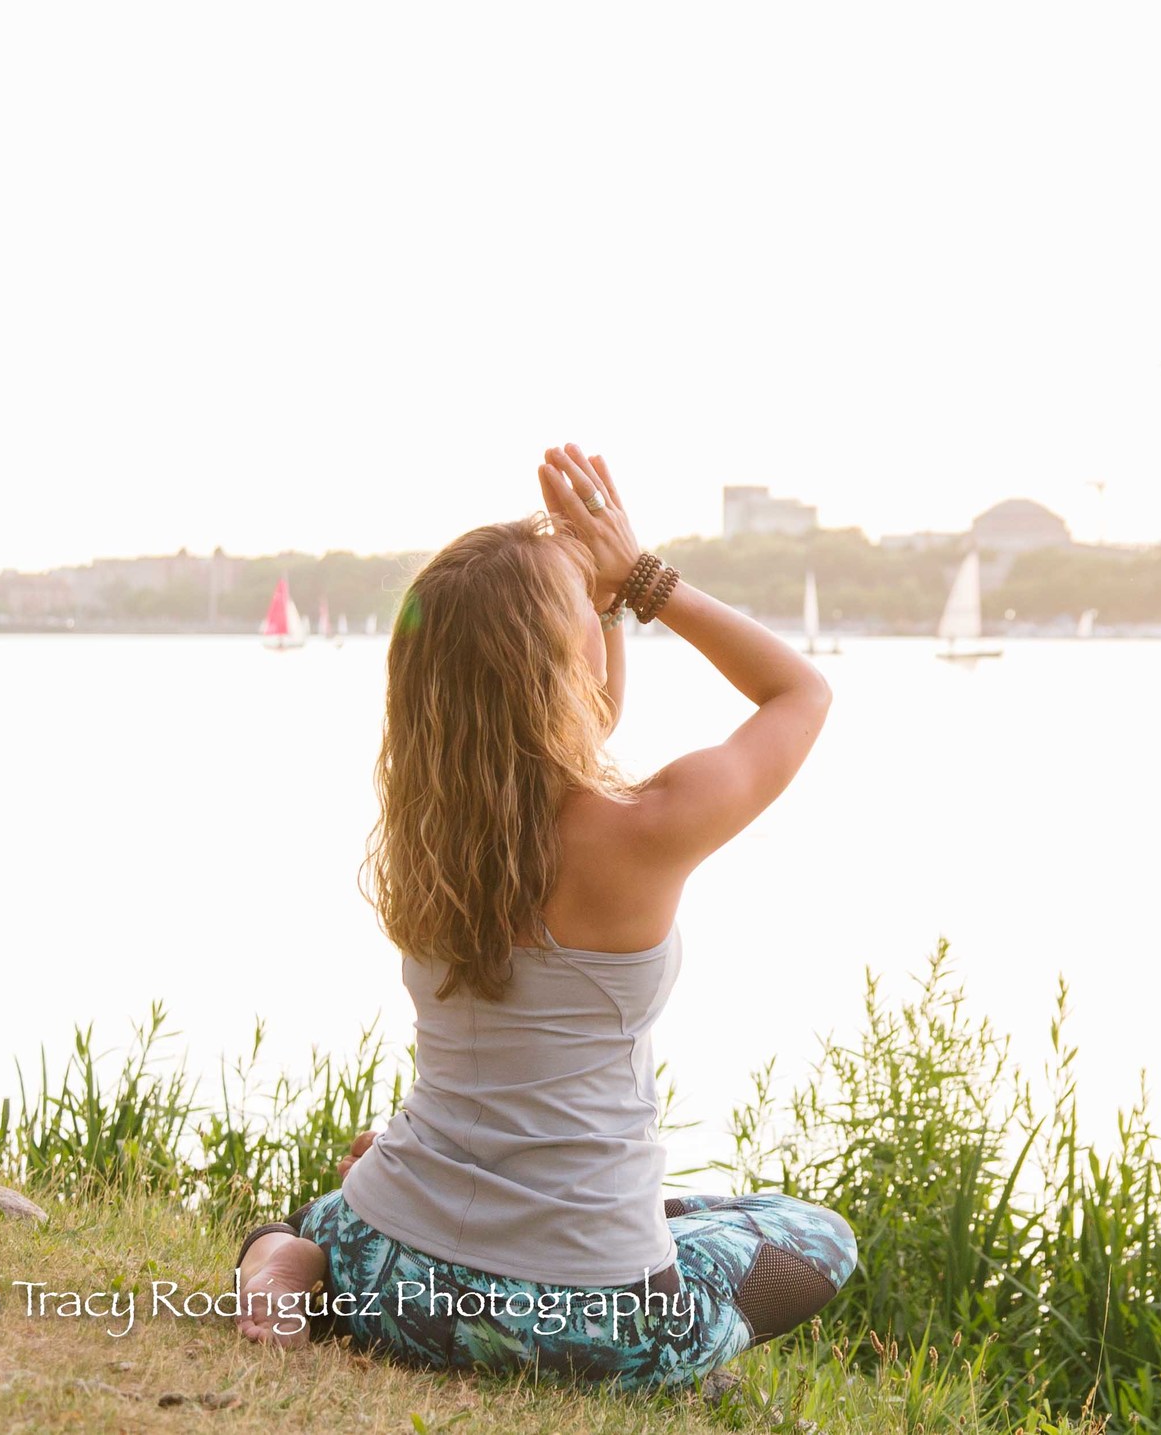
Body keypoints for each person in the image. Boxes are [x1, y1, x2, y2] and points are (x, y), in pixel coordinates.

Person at [231, 443, 851, 1388]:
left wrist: (591, 597)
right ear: (553, 664)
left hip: (391, 1275)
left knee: (357, 1190)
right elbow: (800, 691)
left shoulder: (426, 837)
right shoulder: (644, 833)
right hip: (594, 1323)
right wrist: (646, 579)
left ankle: (285, 1251)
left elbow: (581, 726)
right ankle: (664, 1355)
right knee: (813, 1235)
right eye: (588, 620)